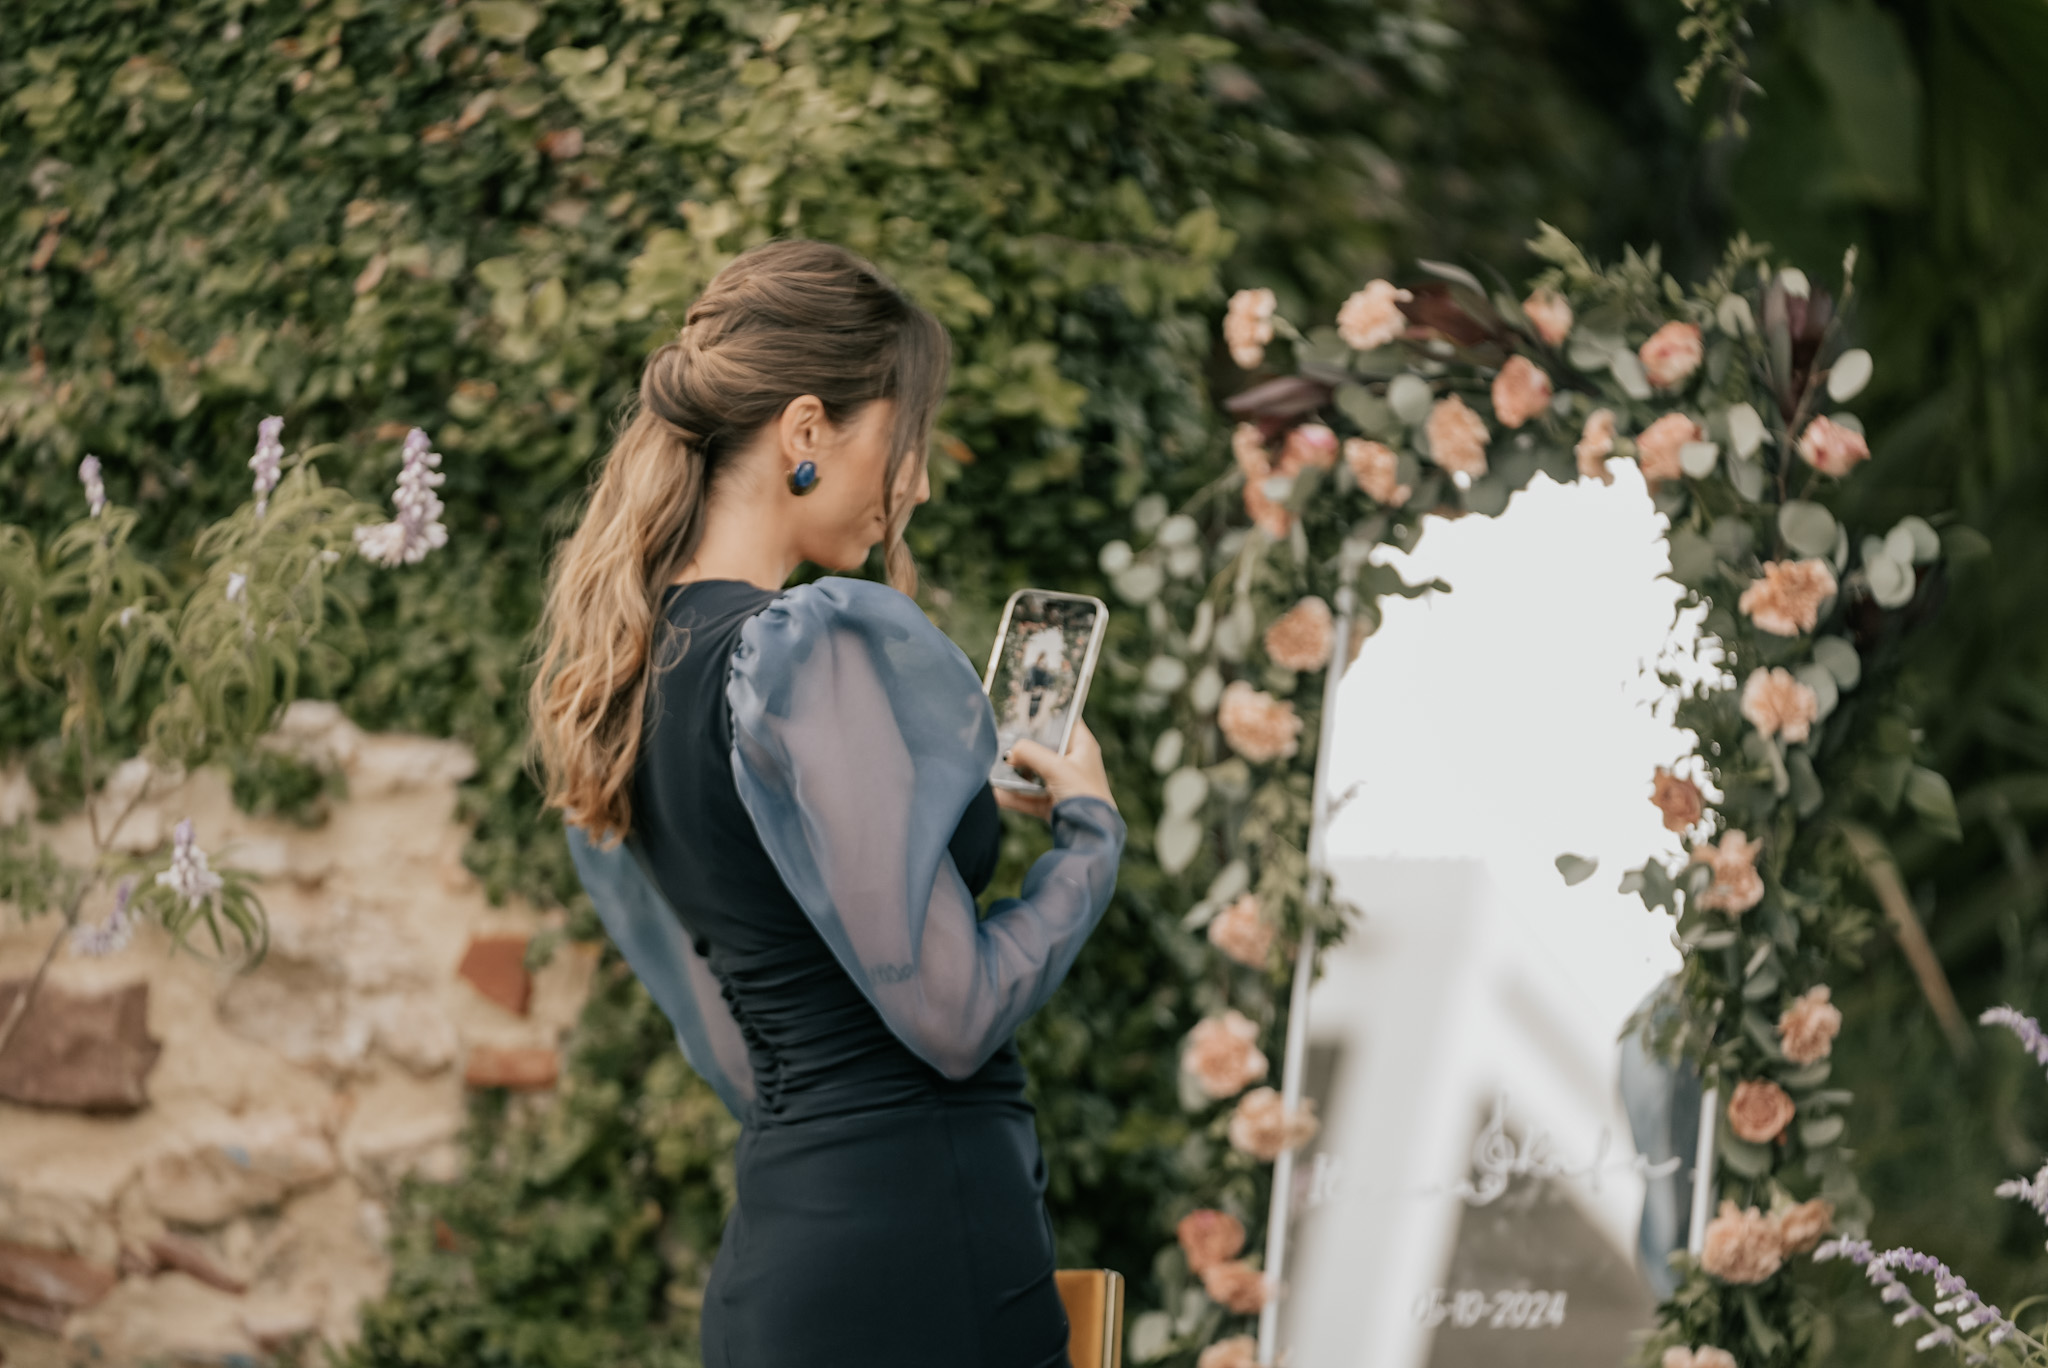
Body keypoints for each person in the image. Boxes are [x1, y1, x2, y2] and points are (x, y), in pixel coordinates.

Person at [525, 238, 1126, 1368]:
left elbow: (738, 1056)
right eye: (906, 441)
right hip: (920, 1260)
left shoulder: (620, 686)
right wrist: (1087, 838)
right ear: (806, 432)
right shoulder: (815, 648)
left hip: (781, 1270)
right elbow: (950, 1015)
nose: (921, 485)